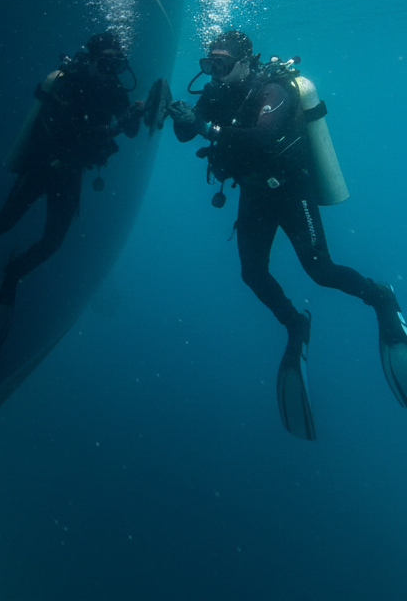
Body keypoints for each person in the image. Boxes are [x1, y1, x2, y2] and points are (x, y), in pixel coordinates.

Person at [170, 29, 407, 438]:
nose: (215, 72)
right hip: (254, 192)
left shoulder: (273, 88)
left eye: (223, 64)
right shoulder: (215, 92)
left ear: (245, 62)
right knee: (252, 273)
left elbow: (265, 136)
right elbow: (186, 133)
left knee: (320, 269)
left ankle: (381, 297)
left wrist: (207, 129)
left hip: (289, 188)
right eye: (210, 64)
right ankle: (295, 324)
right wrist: (182, 117)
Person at [0, 32, 152, 351]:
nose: (110, 69)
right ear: (93, 61)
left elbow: (130, 130)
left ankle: (12, 274)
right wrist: (115, 126)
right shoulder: (71, 81)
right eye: (104, 62)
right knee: (3, 223)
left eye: (117, 63)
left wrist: (135, 116)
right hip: (44, 165)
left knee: (54, 240)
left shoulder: (114, 89)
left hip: (71, 173)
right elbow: (68, 129)